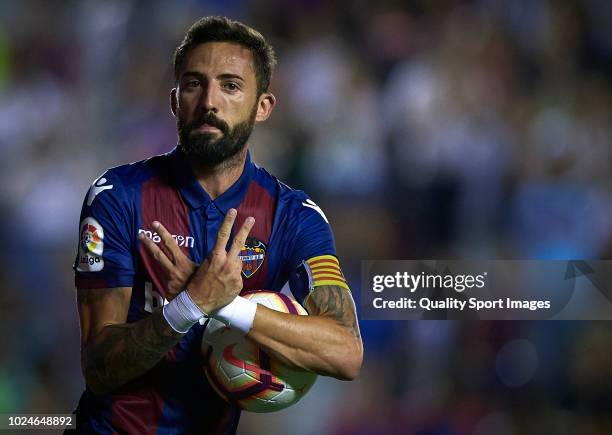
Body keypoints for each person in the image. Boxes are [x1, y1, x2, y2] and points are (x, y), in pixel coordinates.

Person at [70, 16, 363, 434]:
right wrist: (187, 308)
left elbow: (345, 354)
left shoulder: (293, 216)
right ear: (175, 101)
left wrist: (224, 305)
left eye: (230, 85)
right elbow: (98, 369)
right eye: (194, 84)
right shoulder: (118, 196)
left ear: (263, 106)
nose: (210, 101)